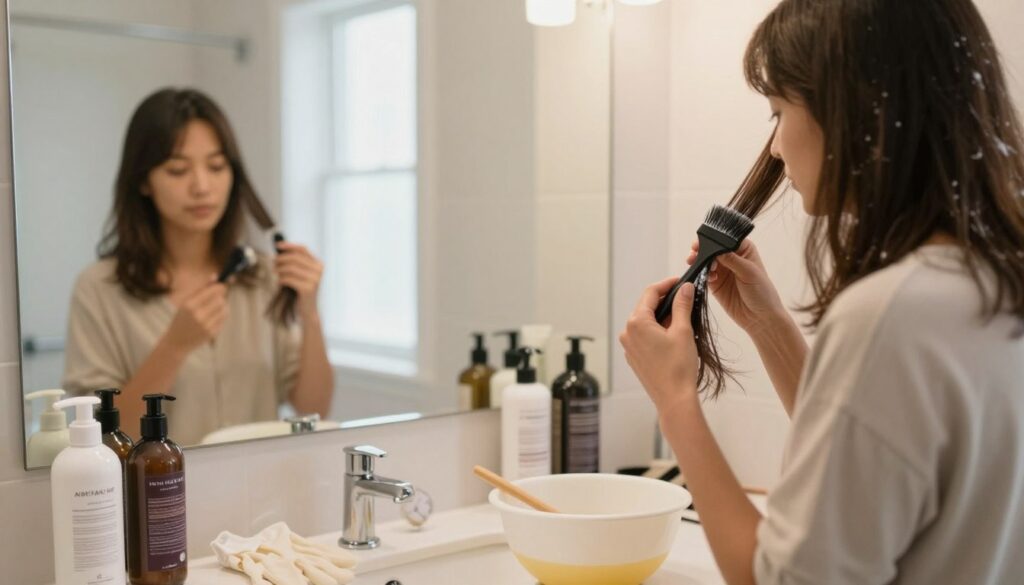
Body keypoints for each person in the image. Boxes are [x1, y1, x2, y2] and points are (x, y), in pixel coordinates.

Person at [619, 1, 1024, 583]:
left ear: (856, 111)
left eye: (779, 110)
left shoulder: (894, 314)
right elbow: (881, 451)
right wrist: (770, 328)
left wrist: (675, 399)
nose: (777, 147)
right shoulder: (986, 285)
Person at [63, 88, 334, 445]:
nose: (202, 186)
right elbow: (99, 436)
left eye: (217, 166)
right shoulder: (98, 289)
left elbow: (313, 409)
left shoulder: (264, 276)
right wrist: (174, 346)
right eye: (178, 170)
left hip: (260, 490)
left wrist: (310, 313)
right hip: (157, 495)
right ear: (143, 181)